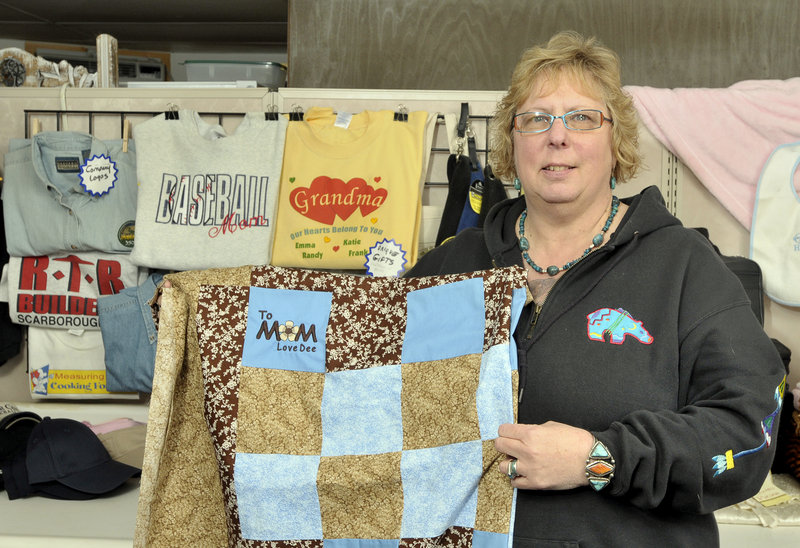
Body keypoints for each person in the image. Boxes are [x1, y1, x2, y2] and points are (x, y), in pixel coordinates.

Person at [406, 30, 786, 547]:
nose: (556, 137)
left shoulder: (685, 269)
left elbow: (749, 433)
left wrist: (599, 459)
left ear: (617, 143)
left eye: (581, 118)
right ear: (512, 142)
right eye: (535, 119)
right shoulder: (448, 267)